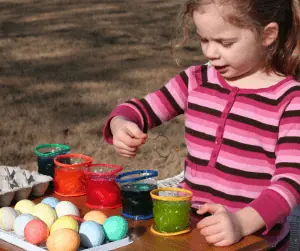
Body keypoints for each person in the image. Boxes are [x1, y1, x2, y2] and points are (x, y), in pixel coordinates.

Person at [103, 0, 300, 249]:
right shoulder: (197, 80)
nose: (210, 53)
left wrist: (241, 223)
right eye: (204, 39)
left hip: (254, 241)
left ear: (267, 35)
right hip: (189, 229)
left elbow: (291, 181)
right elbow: (144, 109)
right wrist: (120, 123)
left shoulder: (289, 100)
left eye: (225, 43)